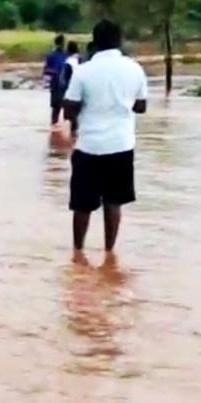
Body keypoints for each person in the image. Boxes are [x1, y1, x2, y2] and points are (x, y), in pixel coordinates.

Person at [62, 19, 147, 255]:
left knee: (82, 204)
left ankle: (78, 252)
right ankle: (109, 252)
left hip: (89, 145)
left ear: (94, 42)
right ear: (119, 41)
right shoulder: (134, 68)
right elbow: (141, 106)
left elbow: (69, 109)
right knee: (114, 202)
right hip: (121, 145)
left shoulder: (83, 71)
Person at [42, 34, 67, 125]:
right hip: (55, 84)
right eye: (62, 43)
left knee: (64, 107)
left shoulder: (66, 55)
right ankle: (54, 125)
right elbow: (46, 71)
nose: (62, 45)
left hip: (63, 84)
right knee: (56, 107)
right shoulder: (52, 55)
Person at [59, 41, 81, 135]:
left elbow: (62, 80)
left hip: (72, 92)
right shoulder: (82, 60)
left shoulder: (68, 63)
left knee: (73, 119)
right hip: (84, 91)